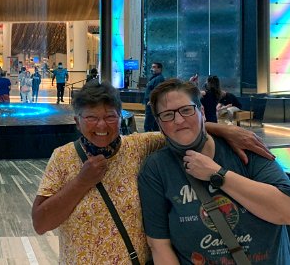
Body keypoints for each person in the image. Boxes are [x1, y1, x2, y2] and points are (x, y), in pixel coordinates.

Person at [32, 82, 273, 264]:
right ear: (77, 121)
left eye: (110, 117)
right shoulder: (62, 157)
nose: (102, 125)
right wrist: (81, 182)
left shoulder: (140, 146)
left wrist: (223, 130)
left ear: (121, 118)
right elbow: (41, 223)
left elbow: (180, 129)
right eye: (91, 118)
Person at [138, 79, 290, 264]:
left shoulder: (245, 149)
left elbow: (286, 210)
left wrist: (218, 174)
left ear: (202, 112)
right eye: (168, 115)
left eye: (186, 110)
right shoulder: (157, 168)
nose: (178, 120)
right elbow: (159, 245)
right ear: (159, 123)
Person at [143, 62, 165, 131]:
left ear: (159, 69)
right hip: (150, 102)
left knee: (148, 122)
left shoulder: (159, 79)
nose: (152, 69)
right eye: (152, 67)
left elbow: (157, 91)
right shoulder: (154, 78)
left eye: (154, 67)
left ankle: (147, 136)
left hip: (152, 103)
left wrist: (152, 100)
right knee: (154, 123)